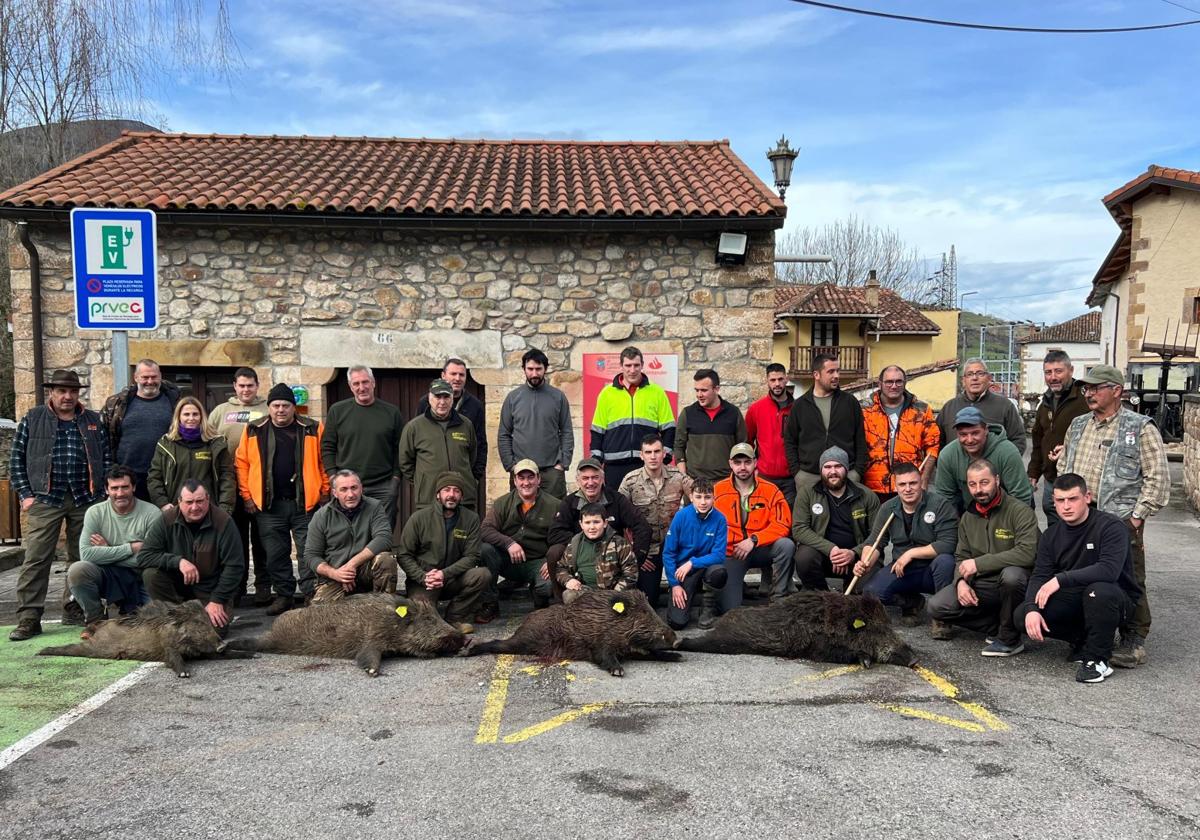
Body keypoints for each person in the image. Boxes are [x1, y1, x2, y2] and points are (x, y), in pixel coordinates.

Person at [1053, 364, 1168, 669]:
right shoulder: (1078, 425)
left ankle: (1133, 639)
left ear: (1116, 391)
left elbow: (1157, 479)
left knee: (1130, 578)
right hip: (1081, 523)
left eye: (1095, 388)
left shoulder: (1140, 427)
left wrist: (1136, 518)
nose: (1088, 393)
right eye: (1086, 389)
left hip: (1119, 523)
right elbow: (1065, 467)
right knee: (1081, 578)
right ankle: (1085, 636)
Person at [8, 369, 112, 640]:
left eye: (73, 391)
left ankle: (74, 608)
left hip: (85, 498)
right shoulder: (33, 418)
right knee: (36, 558)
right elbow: (16, 460)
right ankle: (29, 617)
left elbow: (106, 457)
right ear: (51, 392)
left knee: (81, 558)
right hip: (45, 498)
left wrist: (101, 493)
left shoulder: (92, 420)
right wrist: (26, 494)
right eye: (62, 391)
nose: (68, 396)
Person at [1015, 473, 1142, 683]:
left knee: (1098, 592)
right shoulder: (1051, 535)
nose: (1066, 506)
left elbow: (1109, 570)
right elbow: (1040, 575)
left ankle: (1097, 660)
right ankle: (1081, 640)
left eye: (1072, 499)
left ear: (1087, 497)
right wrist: (1031, 609)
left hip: (1114, 598)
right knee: (1022, 616)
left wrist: (1060, 580)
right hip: (1076, 598)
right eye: (1060, 500)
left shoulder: (1111, 527)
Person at [927, 459, 1038, 655]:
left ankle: (1010, 639)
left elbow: (1027, 553)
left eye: (984, 482)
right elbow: (961, 555)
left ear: (996, 480)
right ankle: (997, 625)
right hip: (985, 584)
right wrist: (960, 581)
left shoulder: (1020, 511)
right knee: (937, 606)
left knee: (1012, 576)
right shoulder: (968, 517)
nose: (979, 489)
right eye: (973, 484)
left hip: (1017, 583)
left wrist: (979, 563)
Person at [235, 383, 329, 614]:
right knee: (275, 554)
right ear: (269, 407)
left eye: (285, 405)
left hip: (304, 504)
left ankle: (311, 594)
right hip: (268, 506)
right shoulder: (253, 430)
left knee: (309, 551)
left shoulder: (313, 428)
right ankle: (284, 595)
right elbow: (242, 464)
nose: (280, 410)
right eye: (275, 405)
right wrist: (247, 496)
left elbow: (324, 461)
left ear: (293, 407)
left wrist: (324, 491)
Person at [854, 462, 958, 624]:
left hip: (933, 570)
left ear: (921, 482)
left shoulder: (940, 505)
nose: (908, 489)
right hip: (903, 570)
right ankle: (911, 602)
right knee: (871, 593)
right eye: (902, 484)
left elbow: (948, 544)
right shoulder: (888, 508)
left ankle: (942, 619)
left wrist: (910, 553)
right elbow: (875, 542)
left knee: (946, 561)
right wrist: (865, 562)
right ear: (896, 486)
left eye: (913, 483)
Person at [138, 480, 245, 629]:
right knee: (151, 574)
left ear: (208, 499)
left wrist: (217, 600)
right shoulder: (166, 519)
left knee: (211, 634)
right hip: (177, 588)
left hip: (211, 590)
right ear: (179, 502)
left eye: (200, 501)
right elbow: (144, 556)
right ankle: (173, 616)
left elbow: (235, 566)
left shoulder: (224, 522)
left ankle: (194, 618)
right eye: (189, 502)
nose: (195, 507)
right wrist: (178, 561)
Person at [395, 471, 491, 635]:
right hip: (425, 582)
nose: (451, 495)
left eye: (456, 490)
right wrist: (422, 577)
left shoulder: (471, 519)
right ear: (438, 494)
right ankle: (429, 613)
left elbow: (472, 556)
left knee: (482, 574)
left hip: (453, 579)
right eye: (447, 490)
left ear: (461, 495)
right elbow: (404, 555)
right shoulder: (419, 518)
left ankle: (454, 617)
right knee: (417, 619)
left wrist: (444, 574)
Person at [547, 458, 652, 600]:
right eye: (585, 478)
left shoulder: (617, 499)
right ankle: (560, 604)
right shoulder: (569, 502)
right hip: (580, 557)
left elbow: (642, 527)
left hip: (614, 558)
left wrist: (637, 556)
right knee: (554, 552)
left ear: (602, 478)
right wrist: (582, 542)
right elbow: (554, 534)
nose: (590, 483)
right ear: (578, 481)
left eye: (595, 477)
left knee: (647, 598)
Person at [208, 367, 270, 605]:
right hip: (229, 485)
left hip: (261, 486)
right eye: (241, 385)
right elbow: (209, 441)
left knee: (263, 540)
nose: (246, 390)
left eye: (250, 385)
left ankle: (264, 585)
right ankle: (237, 586)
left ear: (257, 385)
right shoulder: (220, 412)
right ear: (234, 386)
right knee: (236, 539)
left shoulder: (267, 409)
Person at [70, 465, 159, 624]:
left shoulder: (151, 513)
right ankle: (95, 621)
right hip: (108, 575)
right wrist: (131, 548)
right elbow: (87, 555)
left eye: (125, 487)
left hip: (140, 577)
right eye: (114, 488)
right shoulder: (95, 512)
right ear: (106, 490)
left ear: (134, 487)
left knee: (153, 621)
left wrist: (107, 551)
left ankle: (131, 610)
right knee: (78, 570)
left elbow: (151, 558)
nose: (120, 493)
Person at [713, 443, 795, 610]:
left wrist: (754, 539)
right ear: (730, 464)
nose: (742, 467)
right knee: (728, 609)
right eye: (737, 463)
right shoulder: (718, 491)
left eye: (747, 462)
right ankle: (738, 587)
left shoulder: (771, 490)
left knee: (786, 545)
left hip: (761, 549)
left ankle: (779, 598)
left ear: (755, 462)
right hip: (732, 553)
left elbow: (782, 523)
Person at [320, 365, 405, 526]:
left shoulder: (391, 412)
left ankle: (380, 553)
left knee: (382, 532)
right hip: (348, 486)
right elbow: (327, 446)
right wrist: (333, 476)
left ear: (373, 383)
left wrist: (395, 479)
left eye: (365, 382)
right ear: (350, 386)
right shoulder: (337, 411)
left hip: (383, 485)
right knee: (346, 531)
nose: (361, 388)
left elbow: (400, 449)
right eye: (356, 384)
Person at [589, 346, 677, 491]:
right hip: (614, 465)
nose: (632, 370)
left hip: (645, 464)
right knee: (616, 509)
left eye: (636, 365)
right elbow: (598, 430)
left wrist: (665, 457)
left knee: (646, 510)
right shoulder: (606, 394)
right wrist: (596, 460)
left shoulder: (657, 392)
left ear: (642, 365)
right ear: (621, 366)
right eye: (628, 365)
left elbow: (669, 428)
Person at [479, 459, 559, 618]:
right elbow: (485, 530)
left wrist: (551, 559)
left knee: (546, 587)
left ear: (538, 479)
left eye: (530, 477)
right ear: (515, 481)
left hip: (537, 561)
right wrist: (508, 543)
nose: (526, 482)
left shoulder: (554, 505)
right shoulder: (502, 503)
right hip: (507, 561)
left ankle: (539, 599)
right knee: (485, 550)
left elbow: (563, 536)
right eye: (521, 478)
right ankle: (490, 603)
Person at [793, 446, 880, 592]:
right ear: (821, 470)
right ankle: (821, 595)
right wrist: (831, 549)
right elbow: (799, 529)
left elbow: (877, 535)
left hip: (857, 560)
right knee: (804, 558)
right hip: (823, 556)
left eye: (838, 466)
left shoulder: (867, 496)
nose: (832, 472)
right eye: (827, 467)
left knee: (866, 592)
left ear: (846, 469)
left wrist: (854, 553)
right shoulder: (807, 493)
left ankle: (853, 591)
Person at [617, 433, 689, 608]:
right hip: (647, 551)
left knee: (683, 601)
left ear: (664, 453)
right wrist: (637, 553)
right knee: (649, 602)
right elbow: (617, 518)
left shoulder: (678, 477)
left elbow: (701, 498)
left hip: (675, 548)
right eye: (648, 452)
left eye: (657, 451)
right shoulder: (630, 481)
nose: (653, 456)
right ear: (641, 455)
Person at [305, 470, 397, 603]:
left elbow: (384, 538)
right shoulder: (321, 516)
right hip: (335, 576)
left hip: (365, 571)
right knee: (322, 616)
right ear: (335, 493)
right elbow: (311, 555)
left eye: (354, 488)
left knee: (386, 560)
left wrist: (351, 565)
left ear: (361, 488)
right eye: (344, 489)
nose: (350, 494)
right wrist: (336, 574)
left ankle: (384, 607)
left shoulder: (374, 507)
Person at [497, 348, 574, 501]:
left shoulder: (558, 397)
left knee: (555, 517)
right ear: (524, 369)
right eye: (530, 369)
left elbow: (566, 431)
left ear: (545, 369)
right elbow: (504, 434)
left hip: (552, 472)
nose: (534, 374)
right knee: (521, 516)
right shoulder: (513, 398)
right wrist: (511, 466)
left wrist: (562, 464)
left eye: (538, 369)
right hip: (521, 472)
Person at [784, 353, 867, 490]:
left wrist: (857, 472)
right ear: (816, 375)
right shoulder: (800, 405)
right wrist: (797, 473)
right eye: (830, 372)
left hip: (845, 476)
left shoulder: (850, 402)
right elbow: (790, 440)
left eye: (838, 371)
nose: (836, 376)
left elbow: (860, 439)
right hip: (809, 477)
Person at [102, 359, 181, 500]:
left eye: (154, 377)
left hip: (165, 476)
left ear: (160, 376)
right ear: (136, 377)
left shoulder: (175, 402)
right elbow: (104, 439)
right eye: (145, 377)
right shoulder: (116, 404)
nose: (150, 381)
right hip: (127, 478)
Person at [1027, 351, 1089, 527]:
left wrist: (1069, 449)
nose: (1053, 377)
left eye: (1058, 371)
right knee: (1053, 518)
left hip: (1078, 478)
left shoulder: (1085, 400)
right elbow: (1038, 440)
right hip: (1051, 477)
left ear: (1071, 370)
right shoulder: (1045, 402)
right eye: (1048, 372)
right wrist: (1033, 472)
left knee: (1079, 525)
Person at [860, 365, 939, 500]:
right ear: (880, 384)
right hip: (872, 487)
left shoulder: (921, 410)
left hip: (908, 486)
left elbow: (932, 447)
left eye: (898, 381)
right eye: (889, 382)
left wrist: (924, 481)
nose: (894, 386)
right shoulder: (864, 409)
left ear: (905, 383)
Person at [933, 407, 1032, 514]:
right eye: (963, 435)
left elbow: (1021, 496)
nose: (969, 440)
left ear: (986, 430)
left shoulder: (1007, 452)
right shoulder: (948, 455)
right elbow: (944, 497)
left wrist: (1007, 526)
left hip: (1006, 510)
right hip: (970, 512)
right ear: (957, 434)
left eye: (975, 433)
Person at [399, 378, 479, 510]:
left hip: (462, 498)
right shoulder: (414, 427)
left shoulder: (466, 425)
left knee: (462, 531)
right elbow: (405, 462)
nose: (442, 402)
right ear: (429, 398)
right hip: (429, 498)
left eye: (446, 397)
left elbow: (472, 457)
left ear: (452, 398)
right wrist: (423, 480)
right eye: (437, 397)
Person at [147, 396, 236, 515]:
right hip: (175, 509)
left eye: (195, 414)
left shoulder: (216, 444)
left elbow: (227, 478)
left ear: (202, 417)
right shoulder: (165, 444)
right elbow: (154, 477)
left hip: (210, 511)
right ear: (178, 417)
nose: (191, 418)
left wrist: (225, 508)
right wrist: (162, 503)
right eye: (186, 414)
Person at [662, 480, 729, 630]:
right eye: (698, 497)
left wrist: (692, 562)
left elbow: (719, 555)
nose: (703, 502)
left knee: (719, 572)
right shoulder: (681, 516)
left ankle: (707, 608)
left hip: (706, 568)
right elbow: (668, 553)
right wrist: (674, 585)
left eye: (707, 497)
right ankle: (687, 597)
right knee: (677, 623)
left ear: (714, 498)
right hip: (683, 572)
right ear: (691, 497)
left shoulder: (720, 519)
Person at [417, 358, 487, 494]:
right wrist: (422, 478)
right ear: (443, 375)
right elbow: (414, 444)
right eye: (453, 374)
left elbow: (481, 444)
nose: (457, 378)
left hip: (463, 485)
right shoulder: (425, 402)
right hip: (431, 485)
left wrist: (475, 477)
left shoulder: (475, 406)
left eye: (461, 375)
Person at [555, 502, 638, 605]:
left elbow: (631, 574)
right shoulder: (574, 544)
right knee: (569, 595)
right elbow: (561, 568)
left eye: (596, 522)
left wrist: (614, 594)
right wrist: (568, 580)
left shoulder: (619, 543)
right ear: (581, 524)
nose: (592, 527)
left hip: (613, 593)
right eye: (587, 522)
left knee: (623, 609)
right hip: (584, 592)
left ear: (605, 523)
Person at [936, 359, 1026, 452]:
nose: (975, 378)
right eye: (970, 374)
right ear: (963, 380)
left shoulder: (1004, 406)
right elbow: (936, 442)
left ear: (989, 378)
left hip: (993, 466)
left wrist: (1004, 463)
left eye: (980, 373)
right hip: (955, 466)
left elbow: (1018, 440)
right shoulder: (949, 408)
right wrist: (944, 464)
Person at [674, 368, 746, 483]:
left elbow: (742, 447)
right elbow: (678, 447)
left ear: (716, 389)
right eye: (696, 390)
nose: (699, 395)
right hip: (694, 483)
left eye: (703, 390)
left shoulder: (733, 413)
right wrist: (685, 478)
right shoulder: (688, 413)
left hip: (726, 482)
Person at [745, 362, 796, 505]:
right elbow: (747, 442)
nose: (777, 384)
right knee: (764, 518)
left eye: (780, 379)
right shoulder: (756, 409)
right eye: (773, 380)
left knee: (789, 521)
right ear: (766, 381)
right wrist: (752, 468)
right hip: (764, 477)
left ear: (786, 379)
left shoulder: (798, 408)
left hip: (791, 479)